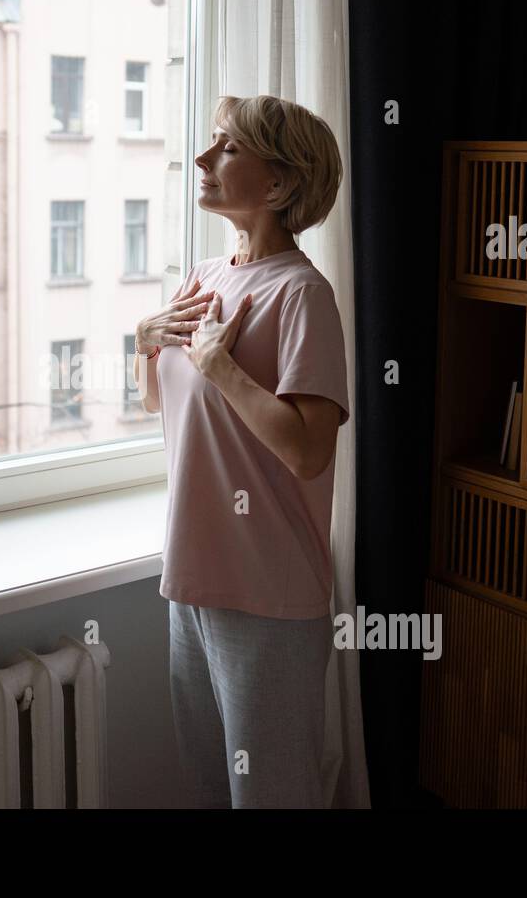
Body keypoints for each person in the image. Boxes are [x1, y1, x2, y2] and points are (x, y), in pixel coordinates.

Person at [132, 94, 349, 808]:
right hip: (192, 580)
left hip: (268, 596)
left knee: (272, 796)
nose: (202, 158)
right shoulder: (204, 276)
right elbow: (164, 407)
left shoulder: (302, 295)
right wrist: (145, 342)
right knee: (207, 787)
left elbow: (309, 451)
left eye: (226, 148)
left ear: (281, 185)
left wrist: (223, 369)